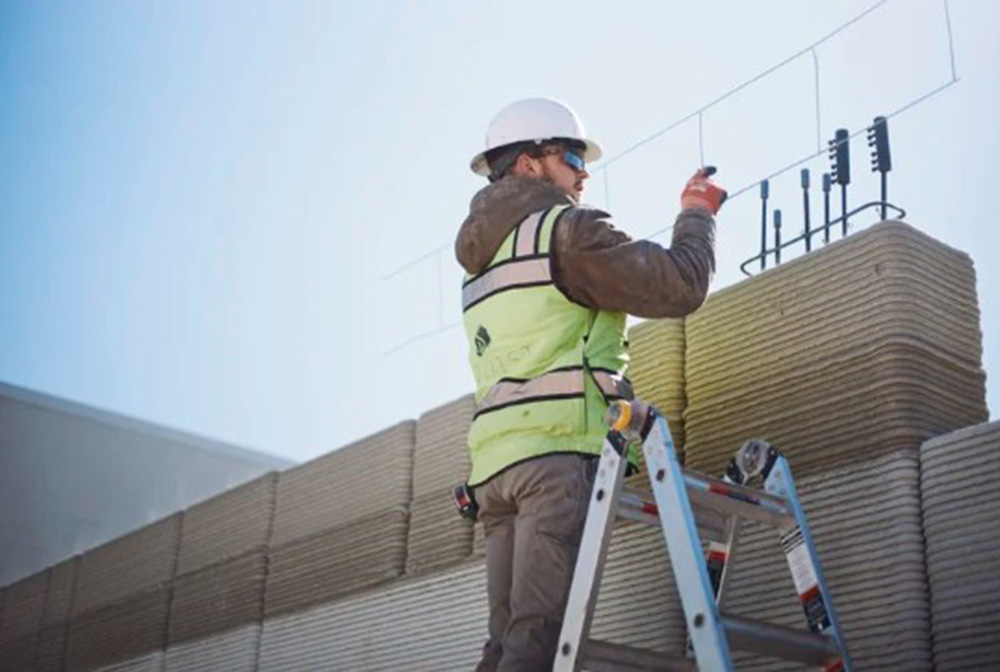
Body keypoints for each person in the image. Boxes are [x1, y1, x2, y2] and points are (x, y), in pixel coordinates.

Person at [456, 97, 725, 671]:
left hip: (494, 473)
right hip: (557, 458)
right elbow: (680, 285)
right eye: (573, 155)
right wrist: (697, 214)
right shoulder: (566, 232)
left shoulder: (480, 264)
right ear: (529, 164)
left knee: (504, 645)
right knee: (535, 649)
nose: (584, 171)